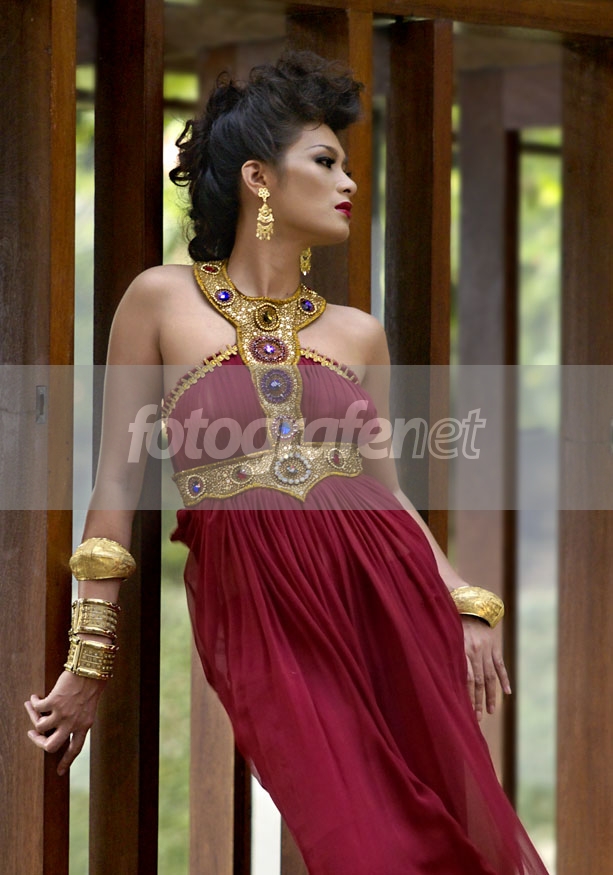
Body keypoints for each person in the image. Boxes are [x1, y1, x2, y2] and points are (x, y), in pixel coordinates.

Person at [25, 51, 549, 874]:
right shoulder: (160, 300)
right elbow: (115, 487)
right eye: (326, 161)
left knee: (445, 832)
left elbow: (387, 495)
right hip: (260, 603)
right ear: (258, 178)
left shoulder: (357, 333)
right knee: (366, 844)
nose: (348, 181)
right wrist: (87, 664)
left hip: (387, 597)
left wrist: (463, 598)